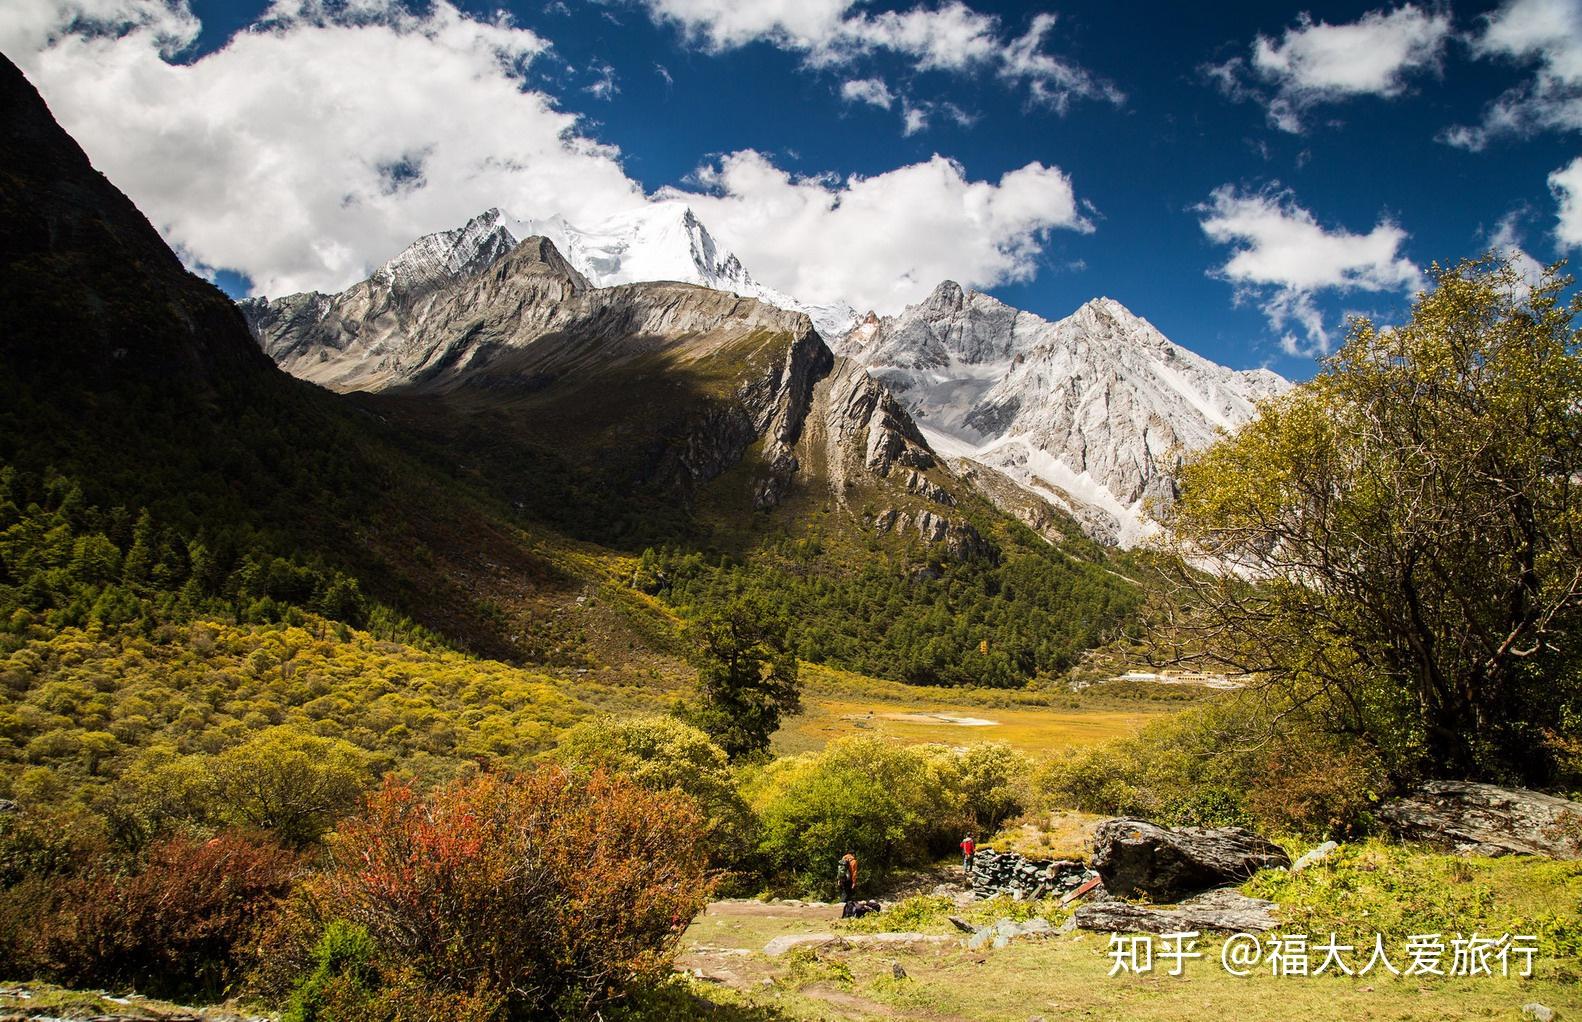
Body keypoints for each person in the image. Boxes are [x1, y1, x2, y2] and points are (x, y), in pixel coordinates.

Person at [837, 851, 858, 915]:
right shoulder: (853, 861)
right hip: (849, 879)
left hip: (843, 878)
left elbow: (839, 871)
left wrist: (839, 879)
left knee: (844, 891)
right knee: (848, 893)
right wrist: (854, 882)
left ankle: (845, 907)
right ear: (853, 854)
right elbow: (854, 872)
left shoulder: (843, 859)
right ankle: (845, 908)